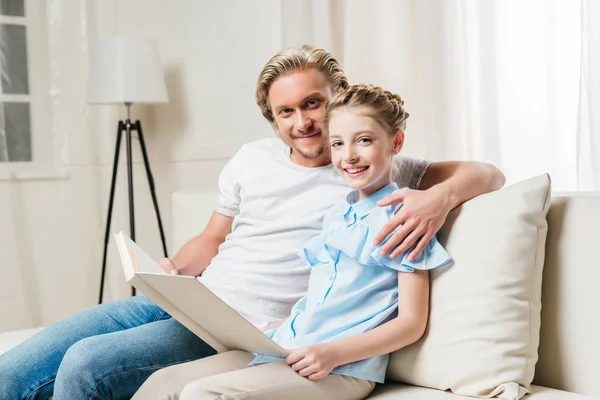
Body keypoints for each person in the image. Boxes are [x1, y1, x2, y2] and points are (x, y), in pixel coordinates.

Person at [0, 45, 503, 400]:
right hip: (188, 298)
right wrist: (171, 271)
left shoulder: (370, 170)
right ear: (272, 119)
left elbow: (489, 173)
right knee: (16, 368)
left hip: (237, 326)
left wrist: (439, 199)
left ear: (340, 99)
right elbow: (213, 238)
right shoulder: (251, 158)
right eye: (286, 111)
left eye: (314, 103)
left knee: (86, 365)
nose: (302, 122)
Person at [134, 83, 453, 400]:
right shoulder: (338, 214)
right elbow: (322, 299)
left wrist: (332, 353)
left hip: (342, 368)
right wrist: (275, 328)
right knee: (164, 381)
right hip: (289, 345)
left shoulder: (406, 218)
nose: (349, 155)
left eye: (365, 140)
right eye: (338, 143)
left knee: (202, 393)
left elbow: (411, 323)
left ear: (396, 142)